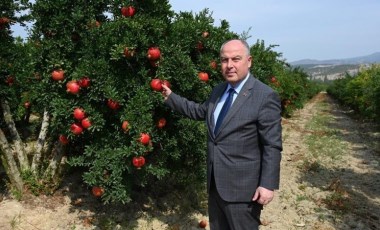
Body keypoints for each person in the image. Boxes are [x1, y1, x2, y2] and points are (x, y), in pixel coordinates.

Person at [161, 39, 282, 230]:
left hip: (244, 190)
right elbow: (201, 111)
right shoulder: (219, 90)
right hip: (216, 185)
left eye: (236, 59)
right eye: (224, 60)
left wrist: (267, 184)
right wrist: (171, 98)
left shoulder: (264, 96)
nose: (229, 65)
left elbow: (271, 145)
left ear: (249, 61)